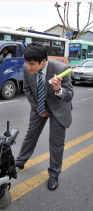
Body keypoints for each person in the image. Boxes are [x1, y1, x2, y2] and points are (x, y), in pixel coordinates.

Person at [15, 43, 74, 191]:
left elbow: (69, 95)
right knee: (30, 135)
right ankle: (19, 162)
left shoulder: (62, 70)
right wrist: (37, 107)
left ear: (43, 61)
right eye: (27, 63)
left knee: (56, 142)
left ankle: (54, 174)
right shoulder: (26, 68)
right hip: (39, 105)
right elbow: (27, 89)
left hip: (58, 108)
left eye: (32, 64)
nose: (29, 67)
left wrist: (58, 89)